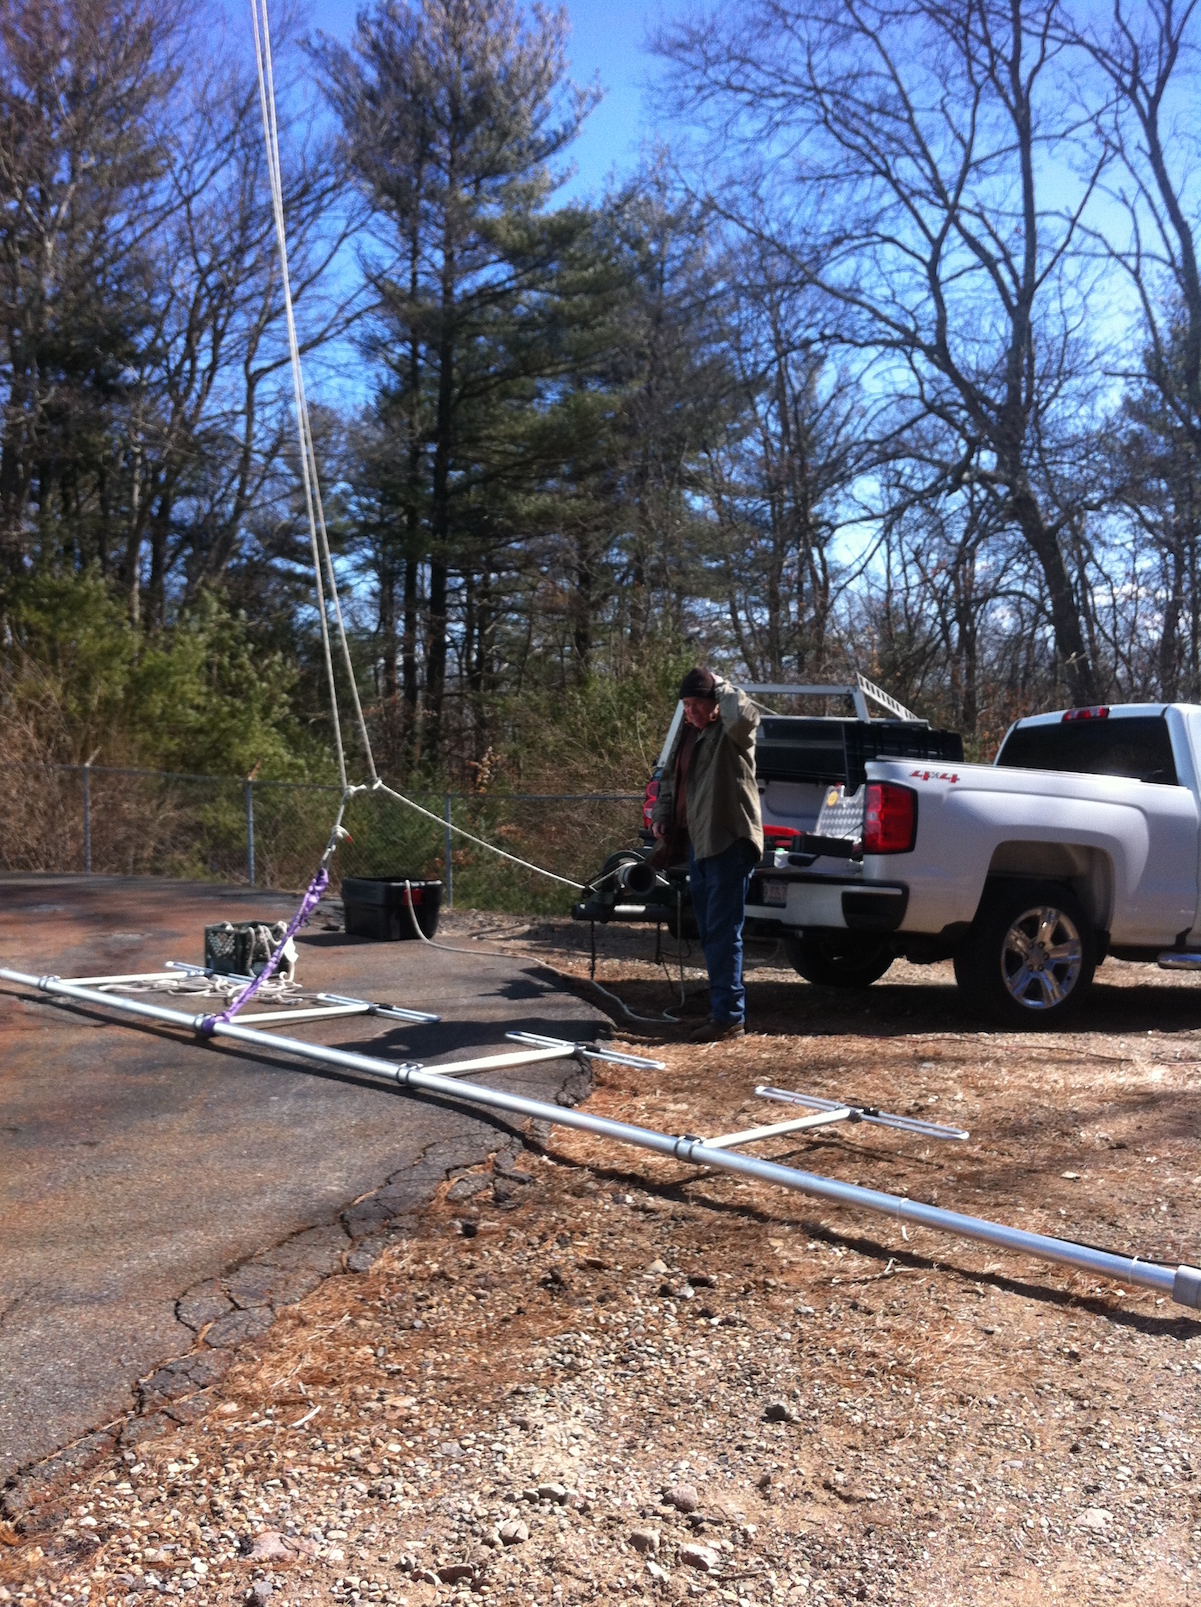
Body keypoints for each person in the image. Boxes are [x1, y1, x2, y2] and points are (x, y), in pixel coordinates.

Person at [651, 666, 763, 1041]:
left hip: (729, 842)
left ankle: (729, 1016)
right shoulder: (687, 738)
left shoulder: (733, 735)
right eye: (686, 704)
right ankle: (721, 1011)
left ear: (715, 703)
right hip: (700, 845)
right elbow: (669, 783)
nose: (691, 711)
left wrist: (722, 685)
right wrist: (662, 818)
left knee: (722, 932)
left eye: (697, 703)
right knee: (710, 932)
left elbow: (746, 718)